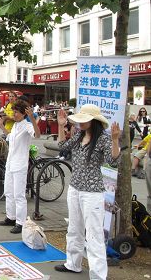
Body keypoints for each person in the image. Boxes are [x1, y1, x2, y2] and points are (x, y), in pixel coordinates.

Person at [54, 104, 121, 279]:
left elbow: (112, 162)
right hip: (75, 188)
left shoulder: (103, 139)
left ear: (94, 121)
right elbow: (62, 145)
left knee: (94, 234)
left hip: (92, 193)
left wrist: (115, 140)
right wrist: (61, 126)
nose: (80, 123)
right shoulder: (78, 136)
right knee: (74, 228)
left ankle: (98, 274)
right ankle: (73, 263)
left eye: (84, 120)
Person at [0, 99, 41, 234]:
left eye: (16, 112)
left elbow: (37, 135)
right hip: (10, 162)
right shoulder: (15, 125)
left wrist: (32, 118)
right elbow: (10, 137)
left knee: (19, 195)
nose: (13, 114)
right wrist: (1, 126)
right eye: (13, 112)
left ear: (23, 114)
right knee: (8, 191)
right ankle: (10, 217)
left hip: (20, 164)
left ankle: (20, 223)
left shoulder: (27, 126)